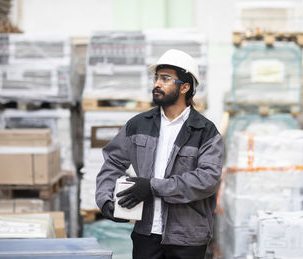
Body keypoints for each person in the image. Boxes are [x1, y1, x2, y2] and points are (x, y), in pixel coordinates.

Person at [95, 49, 224, 259]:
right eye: (156, 78)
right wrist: (106, 198)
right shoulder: (138, 125)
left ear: (185, 87)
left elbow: (207, 180)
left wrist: (152, 186)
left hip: (187, 238)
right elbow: (113, 162)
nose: (157, 83)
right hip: (146, 234)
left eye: (165, 78)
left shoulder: (205, 131)